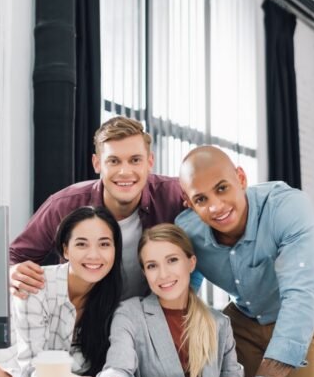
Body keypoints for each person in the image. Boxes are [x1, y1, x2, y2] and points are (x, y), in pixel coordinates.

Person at [176, 146, 314, 377]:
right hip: (242, 324)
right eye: (201, 199)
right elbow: (182, 295)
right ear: (189, 202)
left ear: (240, 178)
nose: (216, 207)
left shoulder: (287, 207)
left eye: (221, 188)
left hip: (305, 318)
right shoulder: (187, 231)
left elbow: (301, 297)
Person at [9, 116, 185, 301]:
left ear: (150, 162)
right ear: (97, 163)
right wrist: (12, 272)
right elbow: (15, 256)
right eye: (114, 161)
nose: (125, 172)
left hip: (149, 316)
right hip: (84, 317)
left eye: (135, 160)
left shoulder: (175, 194)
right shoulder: (64, 205)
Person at [76, 224, 243, 377]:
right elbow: (118, 368)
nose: (163, 274)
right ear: (144, 273)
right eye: (152, 266)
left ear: (191, 263)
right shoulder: (129, 314)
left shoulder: (220, 323)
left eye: (172, 260)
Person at [0, 206, 123, 377]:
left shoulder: (111, 300)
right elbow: (34, 368)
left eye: (104, 244)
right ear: (65, 250)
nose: (94, 255)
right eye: (81, 244)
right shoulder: (35, 285)